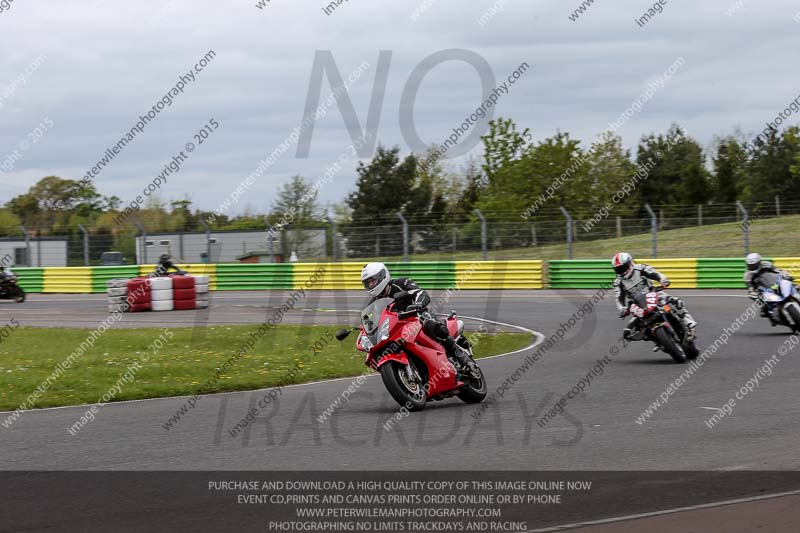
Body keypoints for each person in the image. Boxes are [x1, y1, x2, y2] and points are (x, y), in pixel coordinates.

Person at [360, 262, 475, 375]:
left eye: (373, 281)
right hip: (399, 329)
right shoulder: (373, 304)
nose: (371, 286)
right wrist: (364, 329)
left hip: (417, 316)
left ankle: (459, 354)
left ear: (382, 276)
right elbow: (370, 321)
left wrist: (418, 304)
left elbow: (420, 293)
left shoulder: (401, 283)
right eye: (368, 283)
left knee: (430, 324)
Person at [612, 252, 697, 340]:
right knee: (627, 333)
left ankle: (690, 325)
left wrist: (662, 280)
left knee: (676, 302)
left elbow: (655, 273)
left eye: (622, 268)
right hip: (637, 304)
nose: (621, 271)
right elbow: (619, 298)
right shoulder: (618, 283)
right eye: (618, 269)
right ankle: (651, 336)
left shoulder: (640, 268)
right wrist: (622, 309)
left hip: (653, 294)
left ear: (630, 263)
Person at [744, 252, 794, 325]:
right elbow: (750, 288)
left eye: (754, 265)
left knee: (792, 285)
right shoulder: (747, 275)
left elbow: (777, 271)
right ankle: (766, 311)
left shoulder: (766, 264)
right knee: (755, 297)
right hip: (761, 289)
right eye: (750, 265)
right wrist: (753, 293)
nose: (752, 267)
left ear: (759, 262)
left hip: (773, 282)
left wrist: (785, 275)